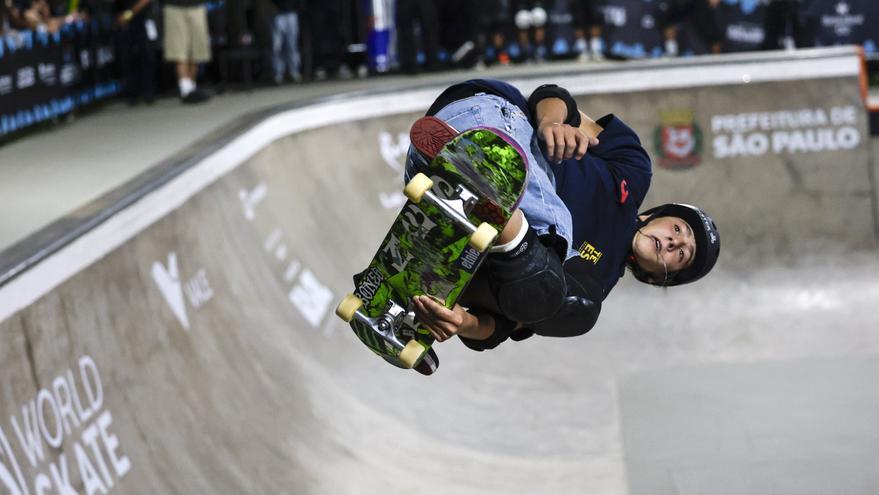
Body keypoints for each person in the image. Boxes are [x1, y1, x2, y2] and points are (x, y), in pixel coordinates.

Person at [406, 79, 721, 351]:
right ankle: (497, 205)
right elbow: (554, 96)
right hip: (489, 120)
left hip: (426, 169)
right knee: (557, 233)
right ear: (659, 214)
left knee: (573, 306)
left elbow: (504, 324)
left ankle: (423, 286)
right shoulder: (633, 171)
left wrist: (462, 323)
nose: (672, 243)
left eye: (681, 254)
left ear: (656, 278)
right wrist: (552, 124)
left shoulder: (592, 285)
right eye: (678, 230)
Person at [162, 0, 211, 103]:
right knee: (179, 50)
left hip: (196, 5)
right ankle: (185, 91)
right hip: (174, 7)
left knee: (197, 50)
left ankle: (192, 88)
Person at [268, 0, 302, 84]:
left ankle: (294, 72)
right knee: (276, 46)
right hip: (277, 14)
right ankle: (278, 73)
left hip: (291, 13)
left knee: (292, 45)